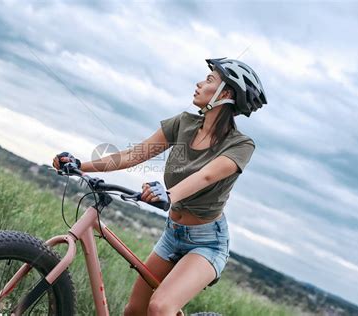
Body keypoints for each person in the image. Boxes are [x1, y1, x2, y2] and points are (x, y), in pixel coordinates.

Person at [53, 57, 267, 315]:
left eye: (210, 80)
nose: (199, 83)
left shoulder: (240, 145)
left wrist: (167, 194)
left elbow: (206, 177)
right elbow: (134, 155)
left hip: (207, 242)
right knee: (134, 311)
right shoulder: (183, 123)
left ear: (227, 94)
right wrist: (79, 164)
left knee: (160, 307)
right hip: (173, 234)